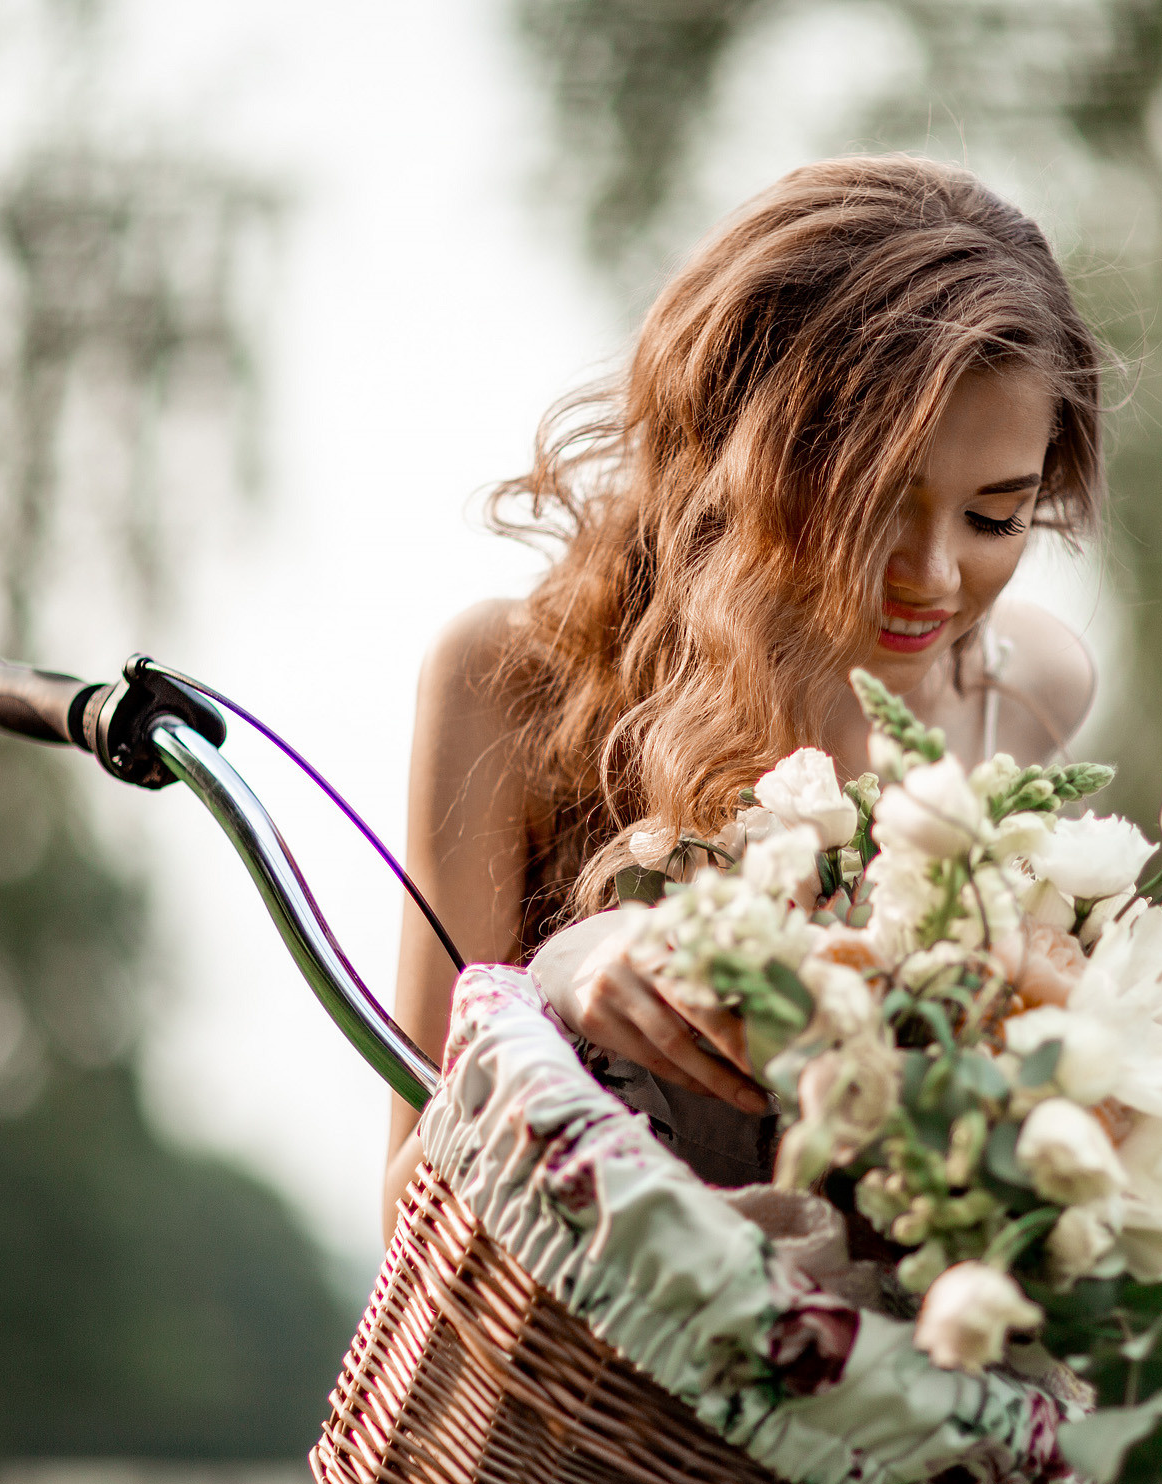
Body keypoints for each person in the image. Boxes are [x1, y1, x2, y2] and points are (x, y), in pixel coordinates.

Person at [384, 154, 1107, 1231]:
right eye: (877, 505)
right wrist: (553, 986)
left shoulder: (1031, 691)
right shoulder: (513, 681)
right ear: (748, 457)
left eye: (994, 517)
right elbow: (409, 1209)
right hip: (574, 1371)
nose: (938, 577)